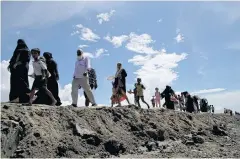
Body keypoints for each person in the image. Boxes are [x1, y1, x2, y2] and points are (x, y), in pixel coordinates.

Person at [8, 39, 31, 103]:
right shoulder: (17, 50)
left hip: (22, 68)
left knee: (21, 81)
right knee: (15, 83)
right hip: (15, 70)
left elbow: (26, 59)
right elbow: (13, 58)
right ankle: (15, 98)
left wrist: (17, 63)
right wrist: (10, 65)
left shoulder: (26, 50)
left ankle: (26, 97)